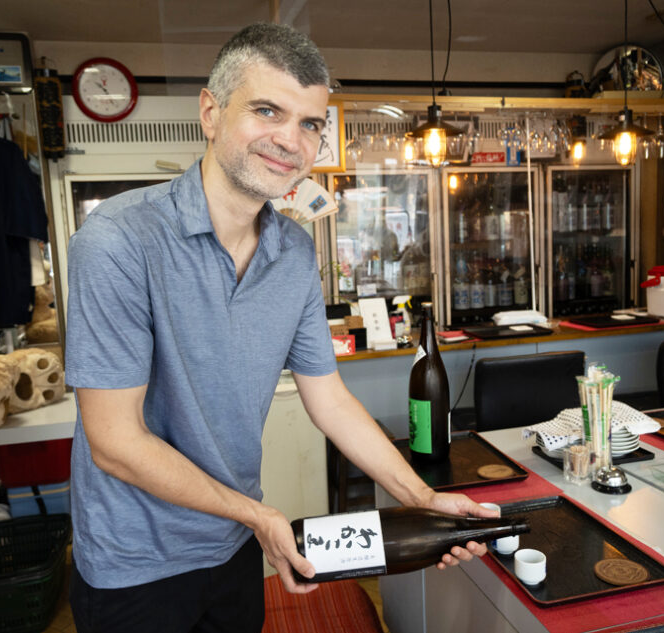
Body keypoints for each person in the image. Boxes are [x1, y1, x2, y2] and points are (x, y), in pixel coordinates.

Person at [64, 22, 495, 633]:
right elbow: (114, 441)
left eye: (310, 123)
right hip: (136, 565)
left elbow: (330, 399)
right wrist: (259, 516)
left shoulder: (292, 251)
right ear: (211, 112)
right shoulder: (118, 241)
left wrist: (420, 497)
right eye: (268, 110)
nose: (290, 140)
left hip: (234, 543)